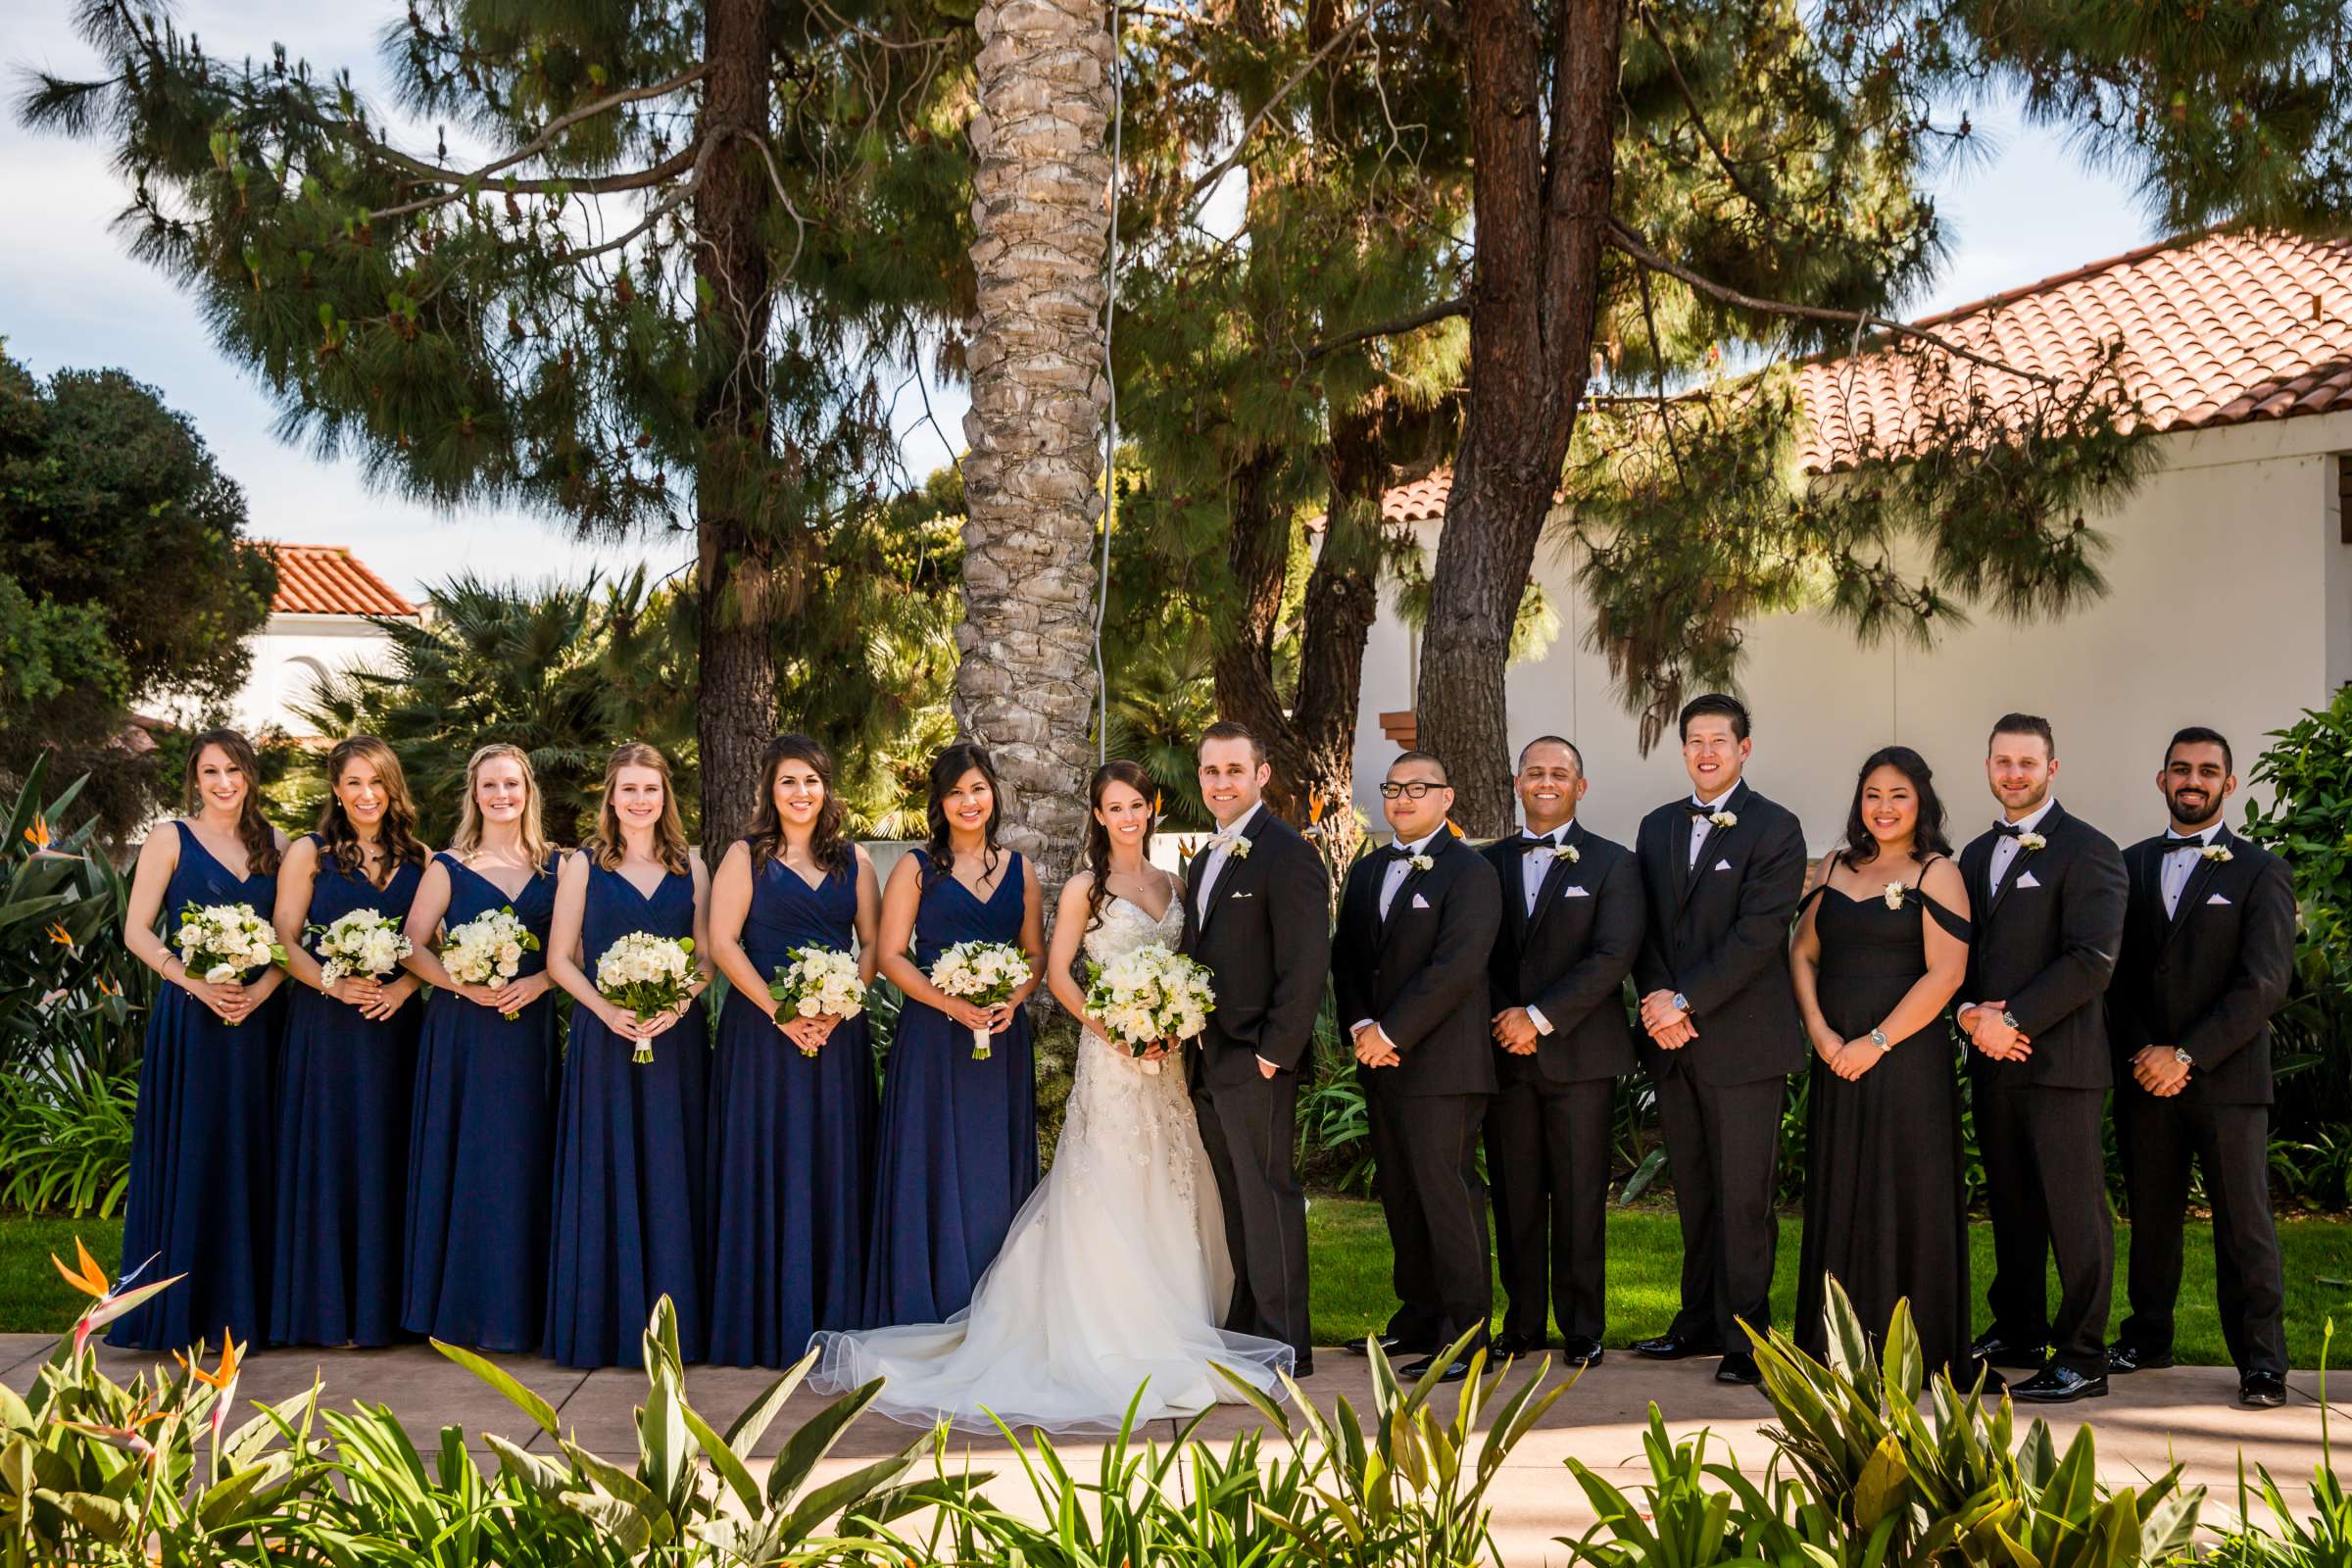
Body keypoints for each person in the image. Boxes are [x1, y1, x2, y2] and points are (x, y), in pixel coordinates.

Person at [808, 762, 1294, 1427]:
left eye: (1135, 805)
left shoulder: (1175, 883)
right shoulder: (1081, 890)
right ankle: (1105, 1330)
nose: (1126, 816)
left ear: (1150, 809)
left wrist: (1173, 1021)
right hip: (1109, 1059)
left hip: (1167, 1063)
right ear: (1097, 815)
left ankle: (1174, 1318)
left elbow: (1158, 968)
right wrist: (1114, 1029)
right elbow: (1059, 974)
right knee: (1107, 1186)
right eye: (1112, 806)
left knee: (1172, 1186)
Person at [2106, 727, 2294, 1408]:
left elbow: (2264, 983)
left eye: (2207, 770)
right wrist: (2143, 1053)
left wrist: (2187, 1054)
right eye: (2181, 769)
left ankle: (2263, 1362)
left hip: (2227, 1078)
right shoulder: (2125, 866)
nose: (2193, 780)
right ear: (2162, 780)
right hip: (2146, 1075)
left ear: (2228, 784)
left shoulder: (2260, 870)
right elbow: (2114, 976)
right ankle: (2148, 1333)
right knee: (2151, 1217)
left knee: (2243, 1223)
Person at [1628, 694, 1805, 1386]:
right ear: (1684, 751)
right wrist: (1657, 1002)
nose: (1706, 752)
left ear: (1744, 749)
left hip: (1744, 1045)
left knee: (1743, 1197)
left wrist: (1685, 999)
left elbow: (1758, 936)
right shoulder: (1657, 827)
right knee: (1695, 1191)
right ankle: (1695, 1319)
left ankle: (1747, 1336)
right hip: (1673, 1043)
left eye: (1719, 741)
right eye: (1695, 741)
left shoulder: (1776, 829)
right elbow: (1640, 925)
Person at [1955, 712, 2128, 1403]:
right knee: (2012, 1204)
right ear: (1989, 765)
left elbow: (2093, 961)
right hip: (1993, 1063)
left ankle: (2083, 1354)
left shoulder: (2089, 850)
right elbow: (1958, 954)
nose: (2014, 774)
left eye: (2028, 763)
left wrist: (2014, 1019)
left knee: (2074, 1210)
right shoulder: (1972, 855)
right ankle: (2020, 1328)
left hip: (2061, 1065)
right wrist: (1971, 1016)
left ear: (2052, 768)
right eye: (2003, 762)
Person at [1788, 747, 1976, 1376]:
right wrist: (1820, 1031)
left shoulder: (1936, 873)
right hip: (1835, 1057)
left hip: (1904, 1062)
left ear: (1921, 800)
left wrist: (1875, 1043)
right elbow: (1802, 952)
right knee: (1841, 1186)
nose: (1884, 807)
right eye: (1872, 794)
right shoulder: (1836, 865)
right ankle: (1834, 1346)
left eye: (1898, 794)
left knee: (1904, 1190)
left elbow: (1947, 974)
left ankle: (1909, 1350)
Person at [706, 735, 882, 1367]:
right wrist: (782, 1012)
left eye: (811, 780)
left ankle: (834, 1315)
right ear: (769, 790)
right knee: (768, 1158)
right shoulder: (745, 858)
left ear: (826, 789)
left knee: (832, 1160)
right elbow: (724, 943)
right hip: (763, 1036)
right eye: (788, 781)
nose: (800, 792)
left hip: (837, 1037)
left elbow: (871, 946)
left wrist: (840, 1005)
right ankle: (762, 1320)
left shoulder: (855, 861)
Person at [112, 729, 289, 1351]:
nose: (222, 783)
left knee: (254, 1152)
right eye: (211, 771)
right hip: (193, 1019)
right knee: (194, 1150)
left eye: (234, 771)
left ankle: (246, 1312)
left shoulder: (280, 845)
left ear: (250, 776)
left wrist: (258, 990)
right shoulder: (170, 838)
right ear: (195, 777)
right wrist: (194, 983)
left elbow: (289, 939)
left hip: (259, 1023)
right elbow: (136, 930)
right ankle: (178, 1309)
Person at [859, 743, 1047, 1326]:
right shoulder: (917, 868)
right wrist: (952, 1004)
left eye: (978, 789)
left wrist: (1010, 998)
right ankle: (932, 1298)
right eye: (956, 792)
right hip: (935, 1042)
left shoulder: (1021, 869)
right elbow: (890, 956)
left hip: (1001, 1038)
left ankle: (999, 1305)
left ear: (994, 793)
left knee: (993, 1164)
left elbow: (1035, 954)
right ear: (940, 802)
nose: (969, 802)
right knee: (936, 1161)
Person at [543, 743, 713, 1368]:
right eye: (628, 789)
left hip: (675, 1040)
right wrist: (607, 1010)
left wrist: (681, 1000)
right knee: (607, 1166)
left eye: (651, 789)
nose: (640, 800)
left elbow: (706, 955)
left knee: (674, 1166)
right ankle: (606, 1325)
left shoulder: (689, 867)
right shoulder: (583, 866)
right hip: (604, 1037)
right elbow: (561, 957)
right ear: (610, 798)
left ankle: (677, 1328)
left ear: (665, 796)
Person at [1335, 751, 1503, 1383]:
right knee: (1402, 1195)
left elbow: (1457, 967)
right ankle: (1418, 1316)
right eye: (1393, 788)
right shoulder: (1369, 867)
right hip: (1381, 1060)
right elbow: (1347, 954)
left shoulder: (1471, 872)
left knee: (1447, 1195)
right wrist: (1360, 1027)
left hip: (1444, 1065)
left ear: (1447, 797)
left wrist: (1391, 1031)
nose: (1402, 798)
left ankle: (1466, 1335)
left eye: (1417, 788)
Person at [1480, 736, 1642, 1367]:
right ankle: (1520, 1324)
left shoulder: (1613, 863)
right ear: (1517, 783)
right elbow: (1475, 950)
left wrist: (1540, 1018)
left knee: (1579, 1197)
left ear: (1581, 787)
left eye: (1560, 772)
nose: (1546, 781)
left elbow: (1613, 957)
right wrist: (1507, 1019)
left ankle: (1582, 1326)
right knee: (1516, 1196)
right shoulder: (1486, 864)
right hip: (1504, 1054)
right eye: (1534, 772)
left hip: (1580, 1058)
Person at [1181, 721, 1333, 1375]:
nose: (1222, 783)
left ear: (1261, 775)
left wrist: (1275, 1053)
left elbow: (1305, 964)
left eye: (1233, 771)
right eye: (1211, 772)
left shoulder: (1289, 853)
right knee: (1236, 1200)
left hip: (1256, 1060)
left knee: (1268, 1195)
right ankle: (1249, 1331)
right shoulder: (1204, 857)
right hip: (1206, 1059)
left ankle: (1286, 1343)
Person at [269, 736, 430, 1348]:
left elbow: (434, 944)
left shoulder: (421, 857)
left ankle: (390, 1313)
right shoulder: (310, 853)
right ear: (335, 790)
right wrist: (333, 986)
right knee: (332, 1153)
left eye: (377, 783)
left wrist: (404, 989)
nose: (366, 795)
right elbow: (284, 937)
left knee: (391, 1153)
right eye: (353, 783)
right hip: (327, 1026)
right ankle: (327, 1312)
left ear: (393, 788)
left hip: (395, 1028)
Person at [401, 743, 563, 1351]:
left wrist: (539, 980)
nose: (502, 795)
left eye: (512, 785)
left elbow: (573, 955)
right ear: (475, 794)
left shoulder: (558, 867)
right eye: (490, 785)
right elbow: (413, 945)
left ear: (528, 793)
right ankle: (462, 1310)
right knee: (468, 1157)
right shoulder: (448, 866)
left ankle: (523, 1311)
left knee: (525, 1158)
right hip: (464, 1035)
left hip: (528, 1034)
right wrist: (462, 986)